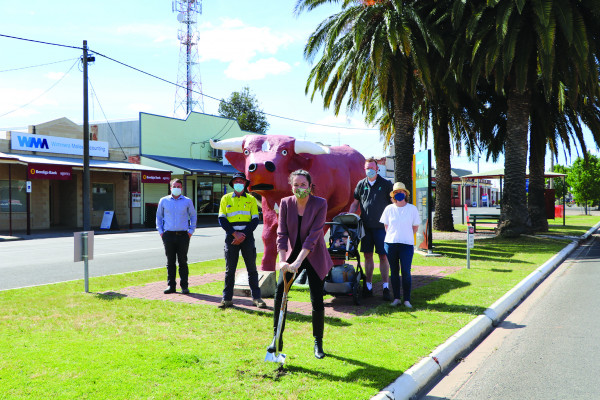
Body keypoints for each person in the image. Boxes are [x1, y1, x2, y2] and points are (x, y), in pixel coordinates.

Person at [267, 169, 333, 359]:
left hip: (314, 254)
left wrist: (298, 262)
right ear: (291, 186)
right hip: (291, 255)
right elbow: (281, 234)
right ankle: (276, 338)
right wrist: (282, 260)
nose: (299, 188)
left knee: (316, 298)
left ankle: (318, 343)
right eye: (296, 185)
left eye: (303, 184)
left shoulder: (320, 203)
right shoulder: (286, 203)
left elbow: (313, 236)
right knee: (280, 292)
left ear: (310, 186)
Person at [217, 172, 266, 309]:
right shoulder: (226, 198)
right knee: (230, 270)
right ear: (233, 184)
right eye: (236, 181)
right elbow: (222, 219)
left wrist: (242, 235)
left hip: (247, 237)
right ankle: (226, 299)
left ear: (245, 184)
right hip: (231, 237)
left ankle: (257, 298)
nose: (238, 183)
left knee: (252, 269)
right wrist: (234, 234)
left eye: (241, 181)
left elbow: (255, 220)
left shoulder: (251, 199)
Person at [349, 157, 394, 300]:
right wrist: (349, 217)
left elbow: (393, 204)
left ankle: (385, 287)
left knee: (383, 256)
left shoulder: (386, 184)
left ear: (377, 169)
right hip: (366, 228)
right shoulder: (361, 184)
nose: (370, 170)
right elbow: (355, 203)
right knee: (367, 256)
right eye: (367, 168)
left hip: (382, 228)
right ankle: (368, 287)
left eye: (372, 168)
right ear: (364, 169)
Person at [379, 182, 420, 308]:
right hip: (391, 244)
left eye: (401, 192)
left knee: (406, 271)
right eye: (396, 192)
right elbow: (386, 226)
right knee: (394, 271)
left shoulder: (412, 209)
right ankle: (396, 298)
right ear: (393, 195)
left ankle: (407, 299)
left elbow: (415, 227)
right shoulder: (389, 209)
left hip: (406, 244)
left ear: (405, 194)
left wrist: (405, 235)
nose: (399, 194)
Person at [156, 178, 197, 294]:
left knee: (183, 261)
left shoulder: (187, 201)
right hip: (168, 235)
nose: (176, 188)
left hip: (183, 235)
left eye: (178, 186)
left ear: (182, 188)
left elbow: (193, 216)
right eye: (174, 186)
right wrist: (161, 232)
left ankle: (184, 286)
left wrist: (191, 231)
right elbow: (159, 216)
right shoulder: (163, 201)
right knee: (170, 261)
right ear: (170, 188)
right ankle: (171, 286)